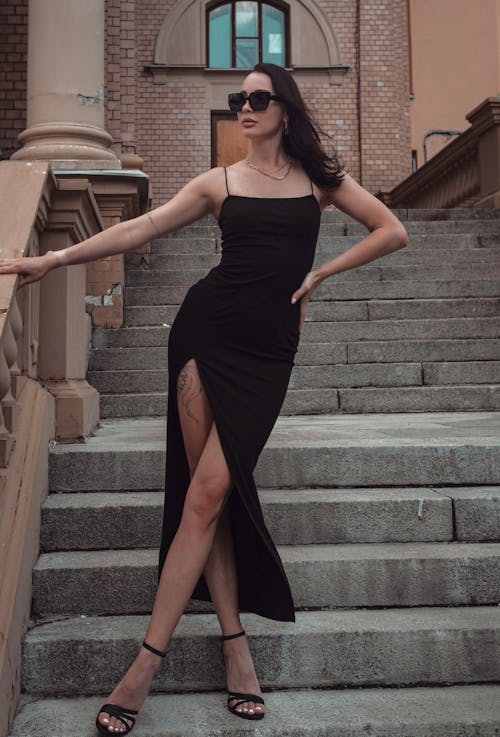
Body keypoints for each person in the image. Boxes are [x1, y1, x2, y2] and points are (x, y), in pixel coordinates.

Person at [0, 62, 408, 735]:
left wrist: (322, 272)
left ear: (285, 108)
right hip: (204, 335)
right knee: (206, 493)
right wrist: (52, 261)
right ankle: (179, 656)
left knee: (211, 489)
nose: (244, 107)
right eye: (237, 99)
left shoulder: (320, 183)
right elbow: (142, 229)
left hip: (268, 355)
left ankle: (200, 648)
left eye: (257, 98)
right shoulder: (217, 183)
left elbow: (393, 229)